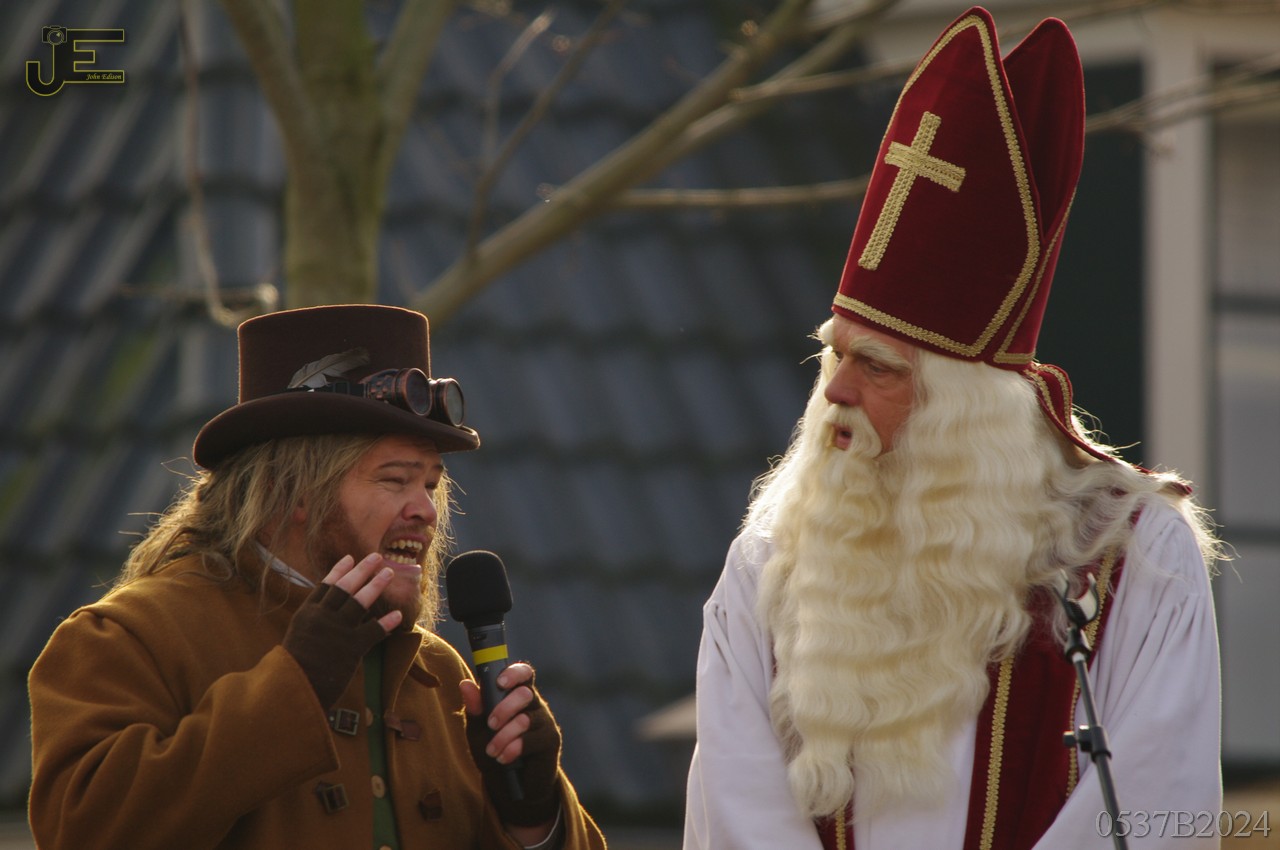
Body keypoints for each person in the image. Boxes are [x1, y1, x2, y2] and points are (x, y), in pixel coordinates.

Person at [684, 7, 1224, 849]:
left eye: (879, 368)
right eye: (834, 356)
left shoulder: (1132, 557)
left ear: (969, 412)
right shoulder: (773, 556)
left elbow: (1160, 806)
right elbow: (737, 805)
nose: (836, 393)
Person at [29, 304, 607, 850]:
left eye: (430, 484)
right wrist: (296, 682)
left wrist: (535, 819)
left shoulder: (440, 673)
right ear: (292, 490)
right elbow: (82, 833)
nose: (425, 511)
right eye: (394, 479)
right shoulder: (129, 637)